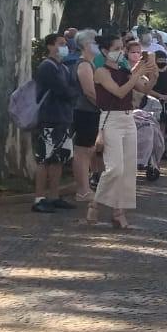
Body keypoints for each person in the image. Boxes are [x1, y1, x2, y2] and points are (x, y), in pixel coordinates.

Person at [86, 34, 157, 230]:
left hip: (128, 118)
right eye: (116, 48)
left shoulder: (126, 69)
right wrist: (136, 73)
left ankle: (119, 212)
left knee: (127, 169)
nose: (120, 52)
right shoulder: (101, 72)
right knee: (115, 167)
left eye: (121, 48)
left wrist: (152, 72)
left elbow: (143, 88)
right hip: (110, 119)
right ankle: (95, 203)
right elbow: (119, 91)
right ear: (106, 51)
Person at [32, 34, 80, 213]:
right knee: (45, 159)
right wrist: (72, 91)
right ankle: (39, 198)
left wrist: (72, 91)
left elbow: (71, 88)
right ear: (50, 46)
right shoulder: (47, 67)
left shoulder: (63, 68)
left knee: (58, 159)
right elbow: (64, 90)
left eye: (65, 44)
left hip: (63, 118)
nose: (64, 47)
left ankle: (53, 195)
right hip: (49, 118)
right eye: (60, 44)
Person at [69, 29, 102, 203]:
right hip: (85, 112)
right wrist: (104, 106)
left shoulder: (90, 63)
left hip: (90, 112)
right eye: (96, 42)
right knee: (82, 151)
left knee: (88, 151)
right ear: (87, 44)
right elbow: (89, 91)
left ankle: (85, 188)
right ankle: (82, 190)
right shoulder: (84, 65)